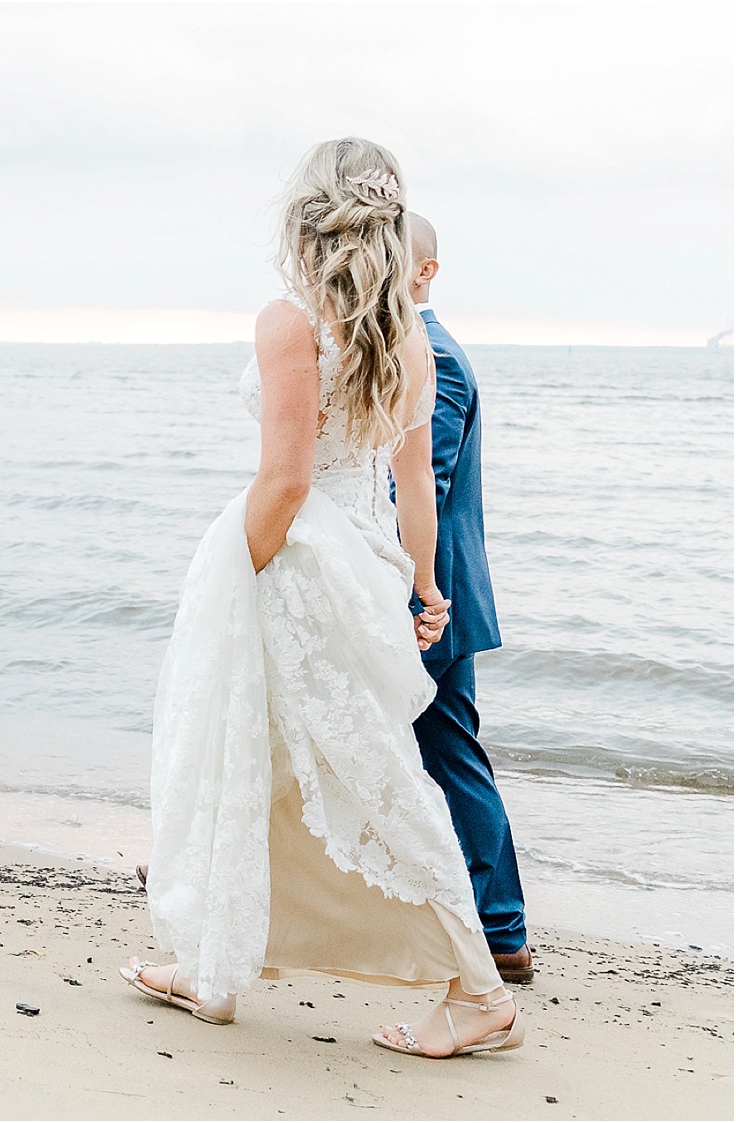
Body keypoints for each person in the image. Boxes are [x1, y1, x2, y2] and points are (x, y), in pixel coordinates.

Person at [119, 137, 525, 1059]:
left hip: (296, 564)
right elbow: (412, 485)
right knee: (266, 756)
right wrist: (422, 582)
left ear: (307, 218)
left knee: (370, 772)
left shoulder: (292, 323)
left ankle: (478, 988)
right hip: (366, 565)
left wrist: (241, 568)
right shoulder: (411, 339)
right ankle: (213, 962)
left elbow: (287, 480)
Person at [402, 214, 533, 983]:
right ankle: (494, 924)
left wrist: (406, 587)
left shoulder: (437, 357)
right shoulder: (416, 352)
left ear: (426, 273)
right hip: (433, 588)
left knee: (451, 751)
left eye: (396, 266)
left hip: (432, 594)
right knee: (442, 748)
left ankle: (500, 927)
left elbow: (424, 482)